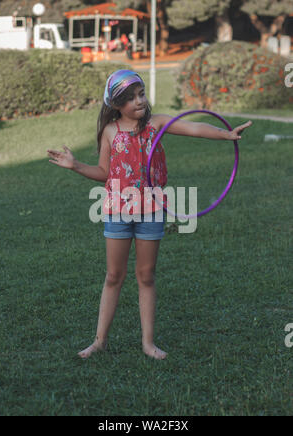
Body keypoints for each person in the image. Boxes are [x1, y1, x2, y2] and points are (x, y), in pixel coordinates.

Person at [47, 70, 252, 360]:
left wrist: (225, 134)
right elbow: (104, 172)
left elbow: (193, 127)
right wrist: (76, 165)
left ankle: (148, 343)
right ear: (116, 104)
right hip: (117, 212)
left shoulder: (156, 124)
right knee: (113, 275)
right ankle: (99, 341)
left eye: (141, 94)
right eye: (130, 98)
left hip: (151, 211)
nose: (139, 101)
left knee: (146, 275)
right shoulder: (110, 131)